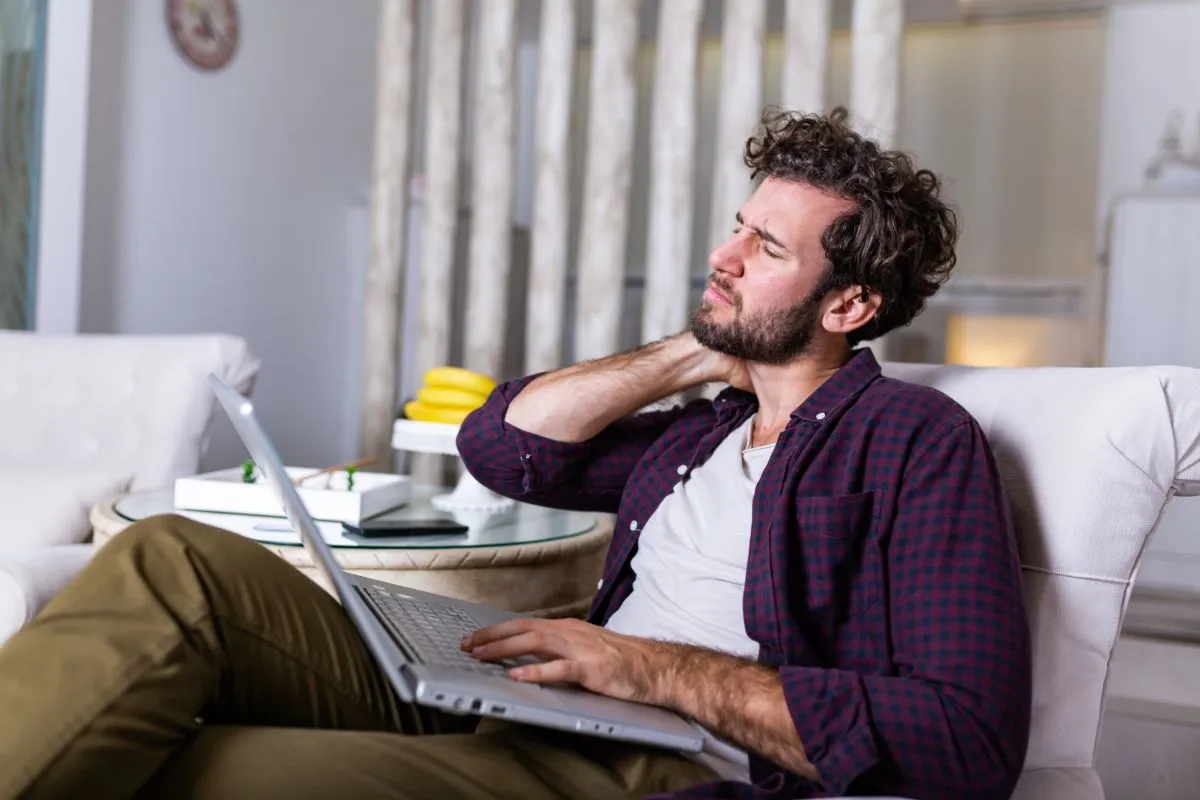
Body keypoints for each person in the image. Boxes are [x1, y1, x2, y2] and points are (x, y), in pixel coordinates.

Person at [0, 107, 1030, 800]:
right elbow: (503, 447)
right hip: (544, 695)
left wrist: (644, 665)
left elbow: (966, 737)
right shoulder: (704, 428)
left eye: (764, 250)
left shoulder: (915, 443)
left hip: (655, 760)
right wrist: (696, 346)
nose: (720, 258)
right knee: (172, 556)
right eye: (736, 229)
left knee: (191, 761)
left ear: (848, 305)